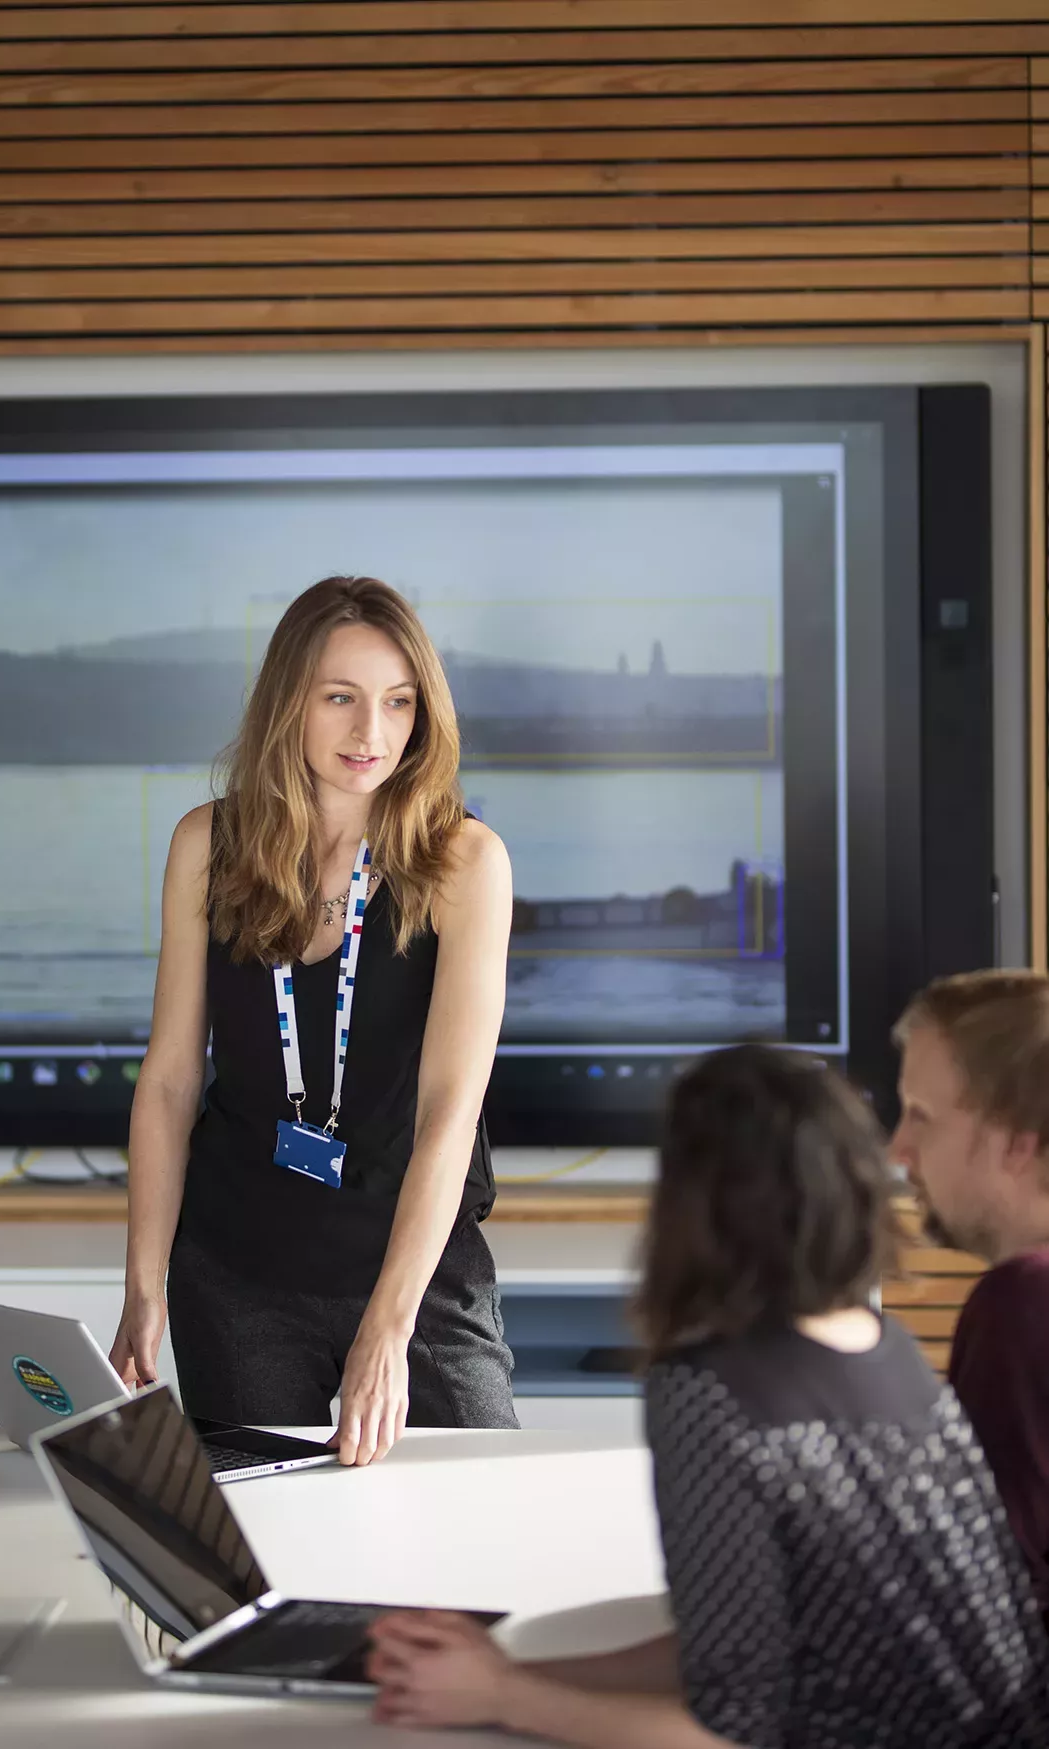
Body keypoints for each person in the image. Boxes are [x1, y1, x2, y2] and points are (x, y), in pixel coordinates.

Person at [367, 1045, 1049, 1747]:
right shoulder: (886, 1346)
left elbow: (727, 1731)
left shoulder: (707, 1391)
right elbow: (740, 1650)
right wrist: (500, 1666)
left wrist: (504, 1695)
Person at [109, 575, 517, 1467]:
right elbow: (172, 1079)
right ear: (288, 702)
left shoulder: (463, 861)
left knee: (479, 1530)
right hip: (237, 1270)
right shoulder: (205, 846)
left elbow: (450, 1109)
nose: (371, 733)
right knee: (263, 1557)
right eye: (340, 698)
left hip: (415, 1269)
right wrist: (144, 1286)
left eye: (397, 702)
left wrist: (388, 1326)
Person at [891, 968, 1049, 1632]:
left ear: (1016, 1139)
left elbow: (974, 1612)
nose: (897, 1148)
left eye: (919, 1117)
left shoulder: (1022, 1303)